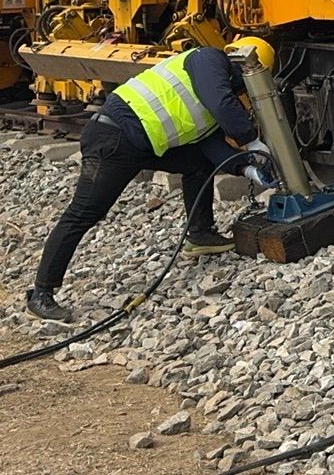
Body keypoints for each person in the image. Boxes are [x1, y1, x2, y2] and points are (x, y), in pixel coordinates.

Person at [25, 38, 276, 322]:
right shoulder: (208, 59)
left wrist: (247, 168)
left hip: (142, 143)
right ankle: (41, 294)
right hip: (114, 138)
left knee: (198, 164)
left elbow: (211, 147)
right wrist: (251, 140)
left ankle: (200, 234)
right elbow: (221, 104)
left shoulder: (216, 87)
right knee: (82, 214)